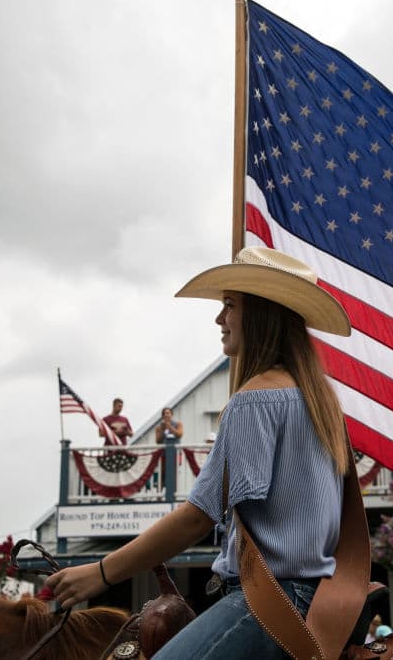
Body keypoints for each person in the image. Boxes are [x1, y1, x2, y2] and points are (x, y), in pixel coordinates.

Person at [45, 247, 354, 659]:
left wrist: (100, 572)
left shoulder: (254, 400)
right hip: (323, 603)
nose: (219, 318)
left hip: (268, 605)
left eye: (229, 305)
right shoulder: (321, 402)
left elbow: (197, 517)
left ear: (260, 312)